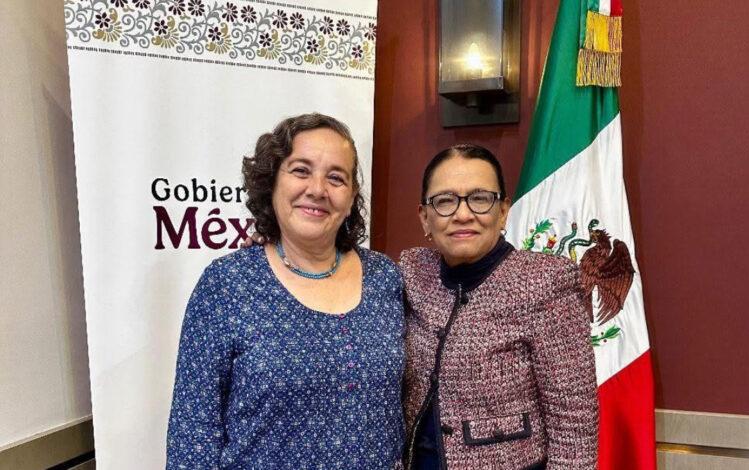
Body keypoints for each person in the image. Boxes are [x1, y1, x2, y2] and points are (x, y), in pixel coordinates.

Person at [166, 113, 405, 469]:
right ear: (271, 182)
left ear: (352, 196)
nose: (318, 189)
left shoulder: (384, 277)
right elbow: (193, 432)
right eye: (301, 170)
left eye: (336, 177)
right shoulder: (227, 284)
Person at [400, 144, 598, 470]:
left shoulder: (545, 282)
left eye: (479, 198)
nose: (463, 214)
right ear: (425, 217)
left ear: (503, 211)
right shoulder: (412, 274)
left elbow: (574, 427)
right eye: (445, 201)